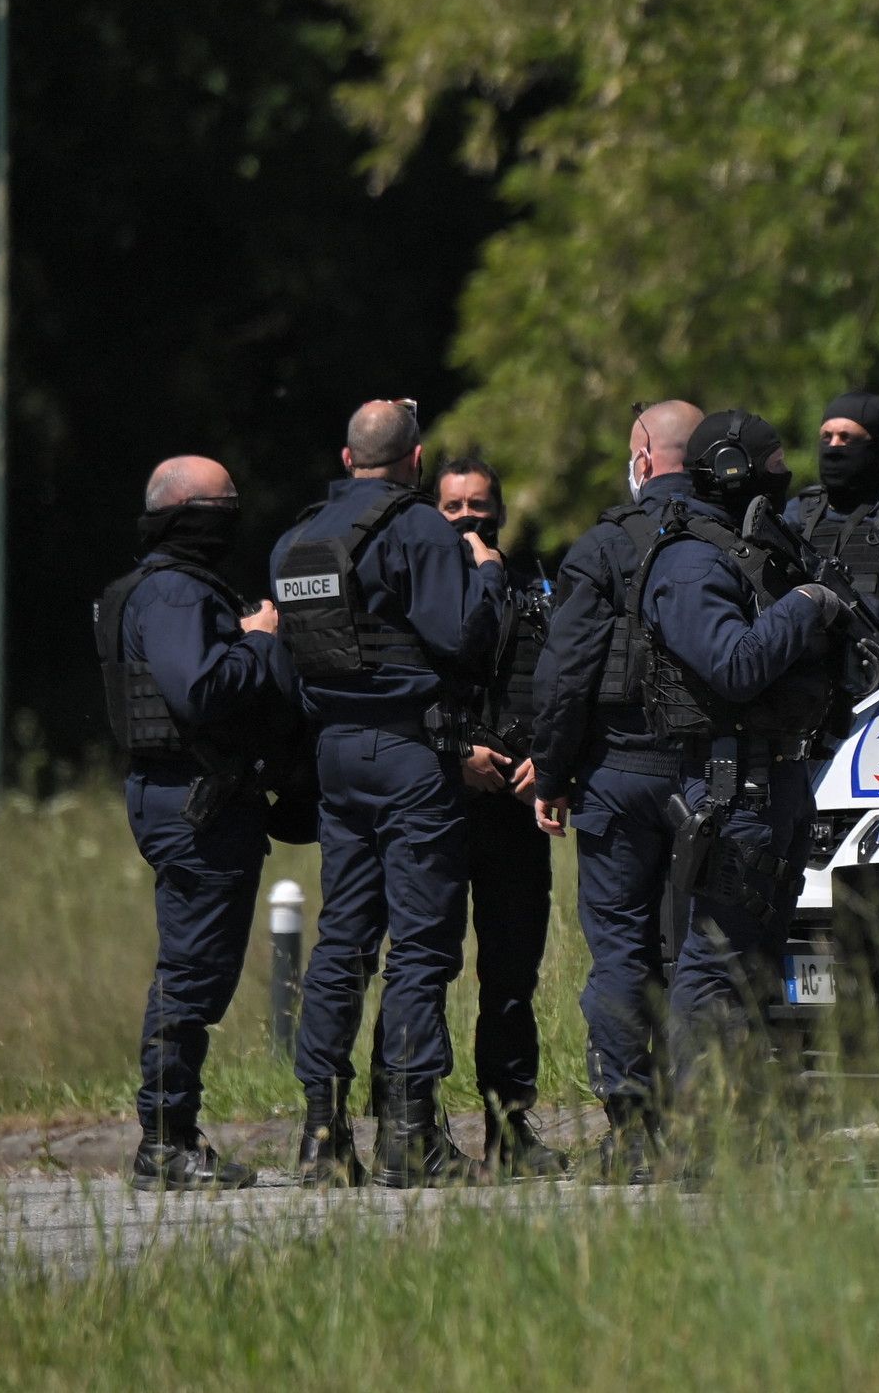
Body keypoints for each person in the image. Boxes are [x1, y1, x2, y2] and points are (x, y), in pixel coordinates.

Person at [636, 410, 879, 1117]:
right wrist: (804, 605)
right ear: (733, 469)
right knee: (716, 958)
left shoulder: (762, 545)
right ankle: (703, 1132)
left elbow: (855, 608)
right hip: (729, 789)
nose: (789, 473)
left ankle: (750, 1120)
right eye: (776, 461)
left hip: (782, 780)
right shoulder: (690, 562)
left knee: (758, 959)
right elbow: (733, 666)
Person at [271, 399, 506, 1188]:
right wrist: (488, 576)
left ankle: (321, 1134)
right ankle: (409, 1136)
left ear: (347, 459)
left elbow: (290, 662)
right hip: (409, 753)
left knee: (343, 939)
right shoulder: (421, 531)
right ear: (416, 460)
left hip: (335, 756)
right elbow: (461, 637)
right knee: (422, 943)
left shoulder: (295, 541)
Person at [94, 455, 295, 1191]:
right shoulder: (177, 593)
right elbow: (200, 689)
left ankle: (171, 1135)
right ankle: (165, 1142)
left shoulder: (151, 587)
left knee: (193, 972)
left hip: (178, 796)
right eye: (223, 508)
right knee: (191, 976)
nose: (233, 519)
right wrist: (261, 639)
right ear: (189, 516)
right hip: (196, 805)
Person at [527, 399, 702, 1181]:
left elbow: (566, 673)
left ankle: (633, 1130)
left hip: (620, 773)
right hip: (714, 776)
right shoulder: (736, 536)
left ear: (642, 458)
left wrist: (551, 772)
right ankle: (707, 1125)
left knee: (622, 952)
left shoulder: (603, 546)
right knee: (703, 953)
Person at [432, 453, 569, 1177]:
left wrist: (548, 763)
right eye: (452, 507)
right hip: (440, 805)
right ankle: (414, 1128)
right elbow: (400, 690)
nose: (467, 520)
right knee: (423, 971)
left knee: (511, 978)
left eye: (478, 506)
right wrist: (456, 754)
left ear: (501, 510)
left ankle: (509, 1130)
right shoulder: (417, 590)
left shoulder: (535, 589)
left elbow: (564, 685)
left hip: (517, 807)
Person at [783, 390, 879, 606]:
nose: (833, 447)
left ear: (878, 445)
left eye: (847, 437)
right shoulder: (797, 512)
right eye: (827, 437)